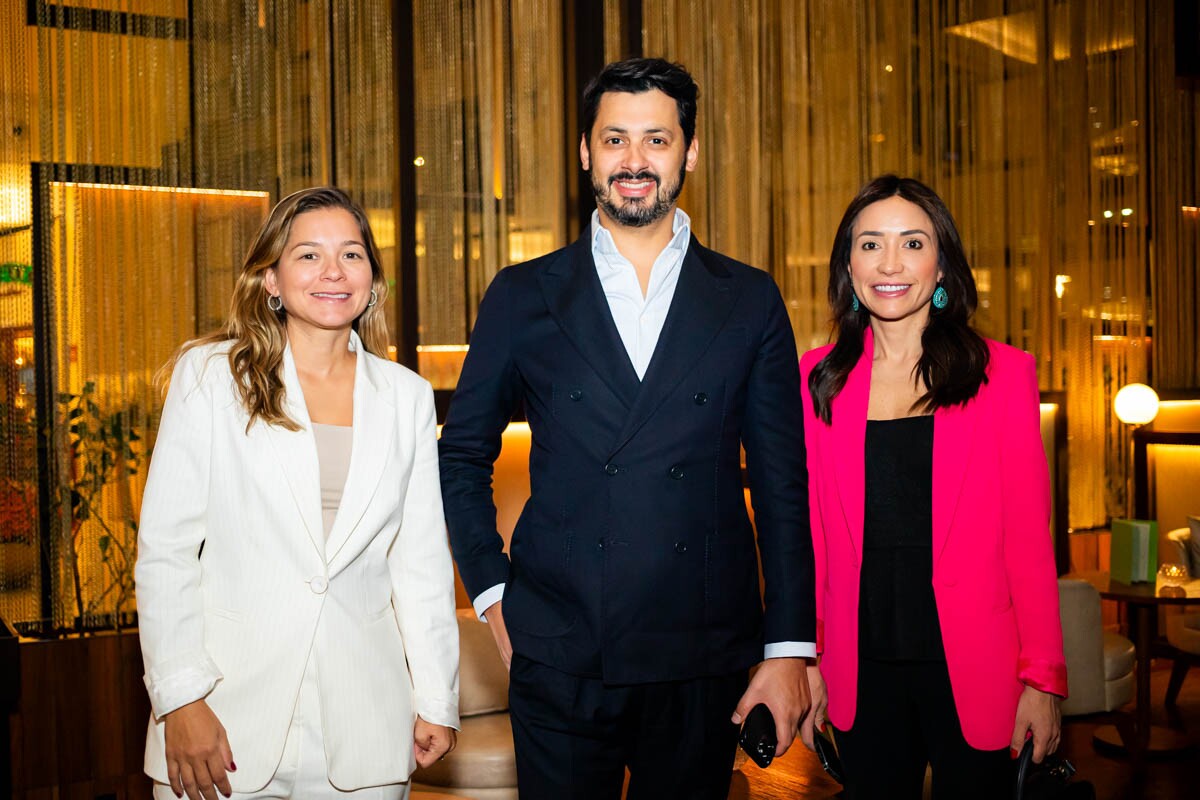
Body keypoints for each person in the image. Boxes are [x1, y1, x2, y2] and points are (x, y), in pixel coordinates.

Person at [437, 57, 814, 800]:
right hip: (559, 644)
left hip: (702, 648)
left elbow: (781, 484)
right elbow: (462, 455)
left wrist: (789, 647)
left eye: (656, 140)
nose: (634, 161)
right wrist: (490, 591)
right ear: (586, 152)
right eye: (615, 140)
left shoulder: (750, 298)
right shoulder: (521, 294)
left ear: (689, 153)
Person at [135, 187, 459, 800]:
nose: (333, 272)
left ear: (372, 279)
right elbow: (166, 552)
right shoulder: (210, 377)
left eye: (352, 254)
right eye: (308, 255)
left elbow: (418, 564)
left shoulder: (407, 397)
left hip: (365, 724)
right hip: (222, 720)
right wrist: (181, 700)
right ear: (271, 280)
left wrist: (437, 698)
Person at [796, 175, 1067, 799]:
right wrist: (804, 660)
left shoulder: (1000, 374)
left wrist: (1044, 681)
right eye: (870, 245)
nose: (890, 264)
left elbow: (1029, 540)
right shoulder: (818, 378)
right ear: (848, 266)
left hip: (976, 665)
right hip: (858, 668)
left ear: (941, 263)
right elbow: (807, 537)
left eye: (912, 243)